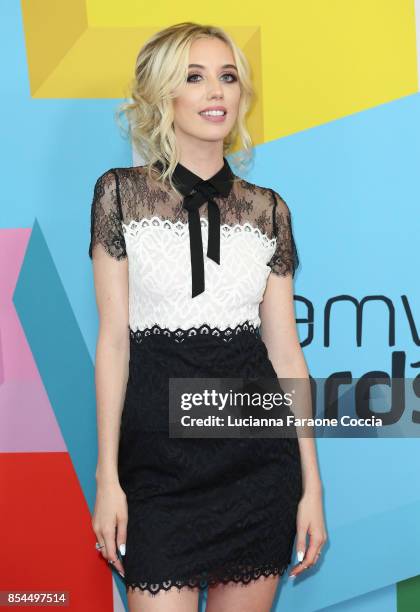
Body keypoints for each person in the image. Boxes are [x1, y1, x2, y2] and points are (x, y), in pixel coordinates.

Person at [89, 22, 327, 612]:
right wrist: (108, 479)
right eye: (193, 78)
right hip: (157, 469)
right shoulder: (119, 194)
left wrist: (311, 487)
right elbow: (114, 343)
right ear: (163, 95)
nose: (215, 92)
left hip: (256, 465)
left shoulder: (269, 209)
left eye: (227, 77)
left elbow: (285, 353)